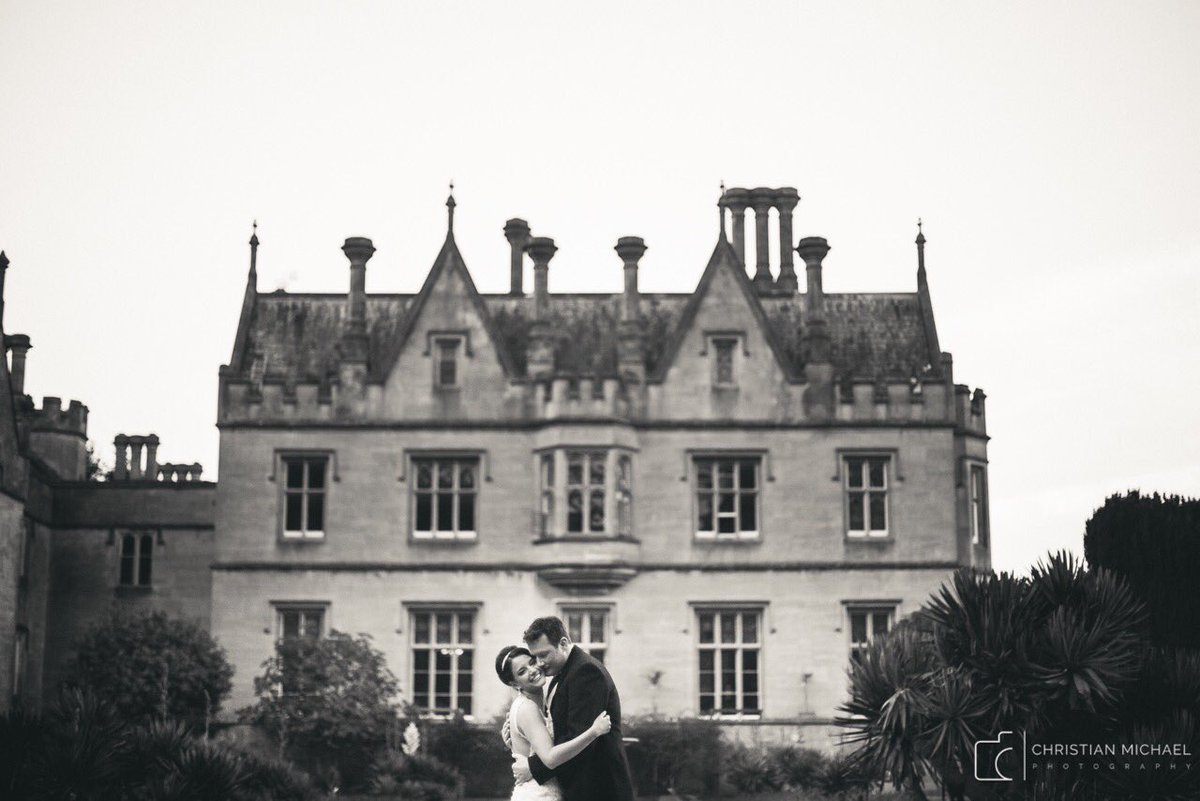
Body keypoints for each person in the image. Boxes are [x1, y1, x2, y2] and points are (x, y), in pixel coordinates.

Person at [513, 616, 635, 801]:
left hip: (599, 790)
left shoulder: (586, 672)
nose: (538, 663)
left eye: (543, 654)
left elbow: (581, 739)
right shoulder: (566, 671)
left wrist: (533, 768)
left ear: (563, 643)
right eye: (535, 656)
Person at [496, 644, 611, 801]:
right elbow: (550, 758)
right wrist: (594, 731)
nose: (533, 670)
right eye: (522, 672)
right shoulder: (527, 708)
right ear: (515, 684)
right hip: (538, 795)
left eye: (531, 662)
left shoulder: (543, 698)